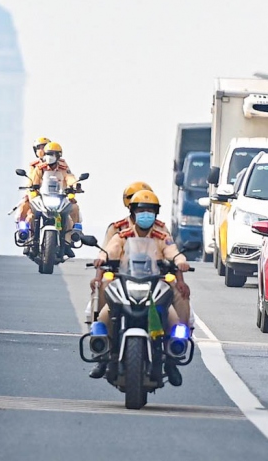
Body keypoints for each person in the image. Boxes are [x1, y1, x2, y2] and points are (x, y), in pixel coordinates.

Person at [90, 189, 191, 383]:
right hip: (125, 283)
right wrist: (101, 260)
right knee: (103, 318)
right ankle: (102, 355)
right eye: (142, 210)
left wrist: (180, 262)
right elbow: (109, 251)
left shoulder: (162, 235)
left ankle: (172, 358)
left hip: (156, 286)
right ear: (133, 212)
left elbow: (173, 252)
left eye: (151, 210)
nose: (146, 214)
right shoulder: (122, 234)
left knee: (175, 321)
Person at [19, 141, 81, 253]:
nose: (49, 157)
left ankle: (68, 242)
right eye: (47, 154)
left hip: (60, 197)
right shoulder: (39, 167)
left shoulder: (63, 167)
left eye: (52, 154)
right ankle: (30, 239)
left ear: (58, 156)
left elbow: (69, 177)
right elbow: (33, 181)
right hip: (41, 197)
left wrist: (75, 185)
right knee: (31, 214)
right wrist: (32, 189)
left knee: (73, 209)